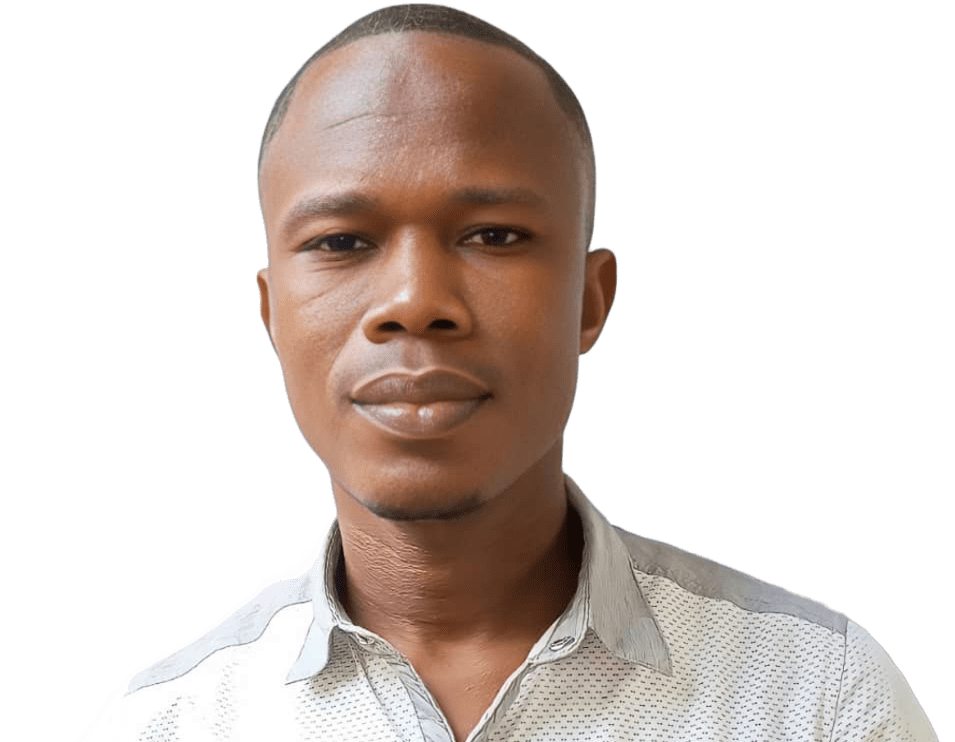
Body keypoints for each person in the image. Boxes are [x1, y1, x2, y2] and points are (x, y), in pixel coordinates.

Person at [79, 4, 938, 741]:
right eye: (341, 242)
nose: (414, 302)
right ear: (271, 315)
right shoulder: (165, 724)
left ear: (590, 301)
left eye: (493, 235)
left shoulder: (818, 698)